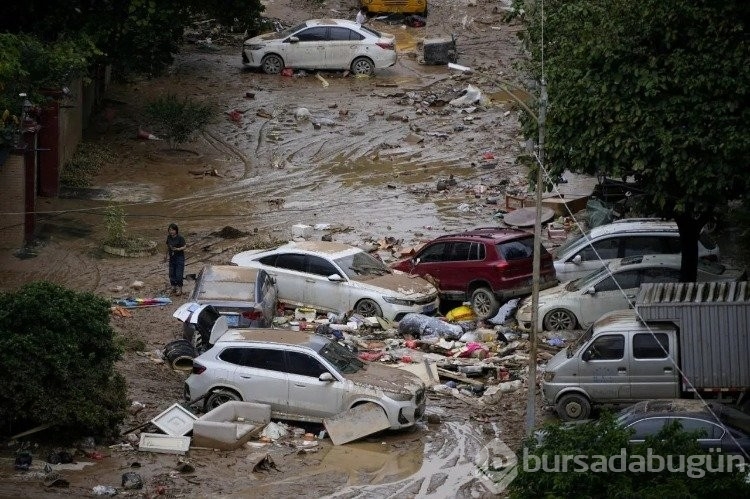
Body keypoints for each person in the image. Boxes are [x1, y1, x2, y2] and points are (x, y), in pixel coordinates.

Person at [165, 223, 186, 295]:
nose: (171, 232)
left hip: (179, 257)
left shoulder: (180, 238)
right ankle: (173, 287)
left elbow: (184, 247)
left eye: (173, 230)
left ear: (176, 230)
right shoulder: (169, 237)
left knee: (179, 274)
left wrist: (178, 249)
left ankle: (180, 289)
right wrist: (166, 256)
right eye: (170, 230)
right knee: (171, 273)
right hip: (172, 258)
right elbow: (168, 246)